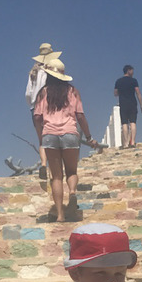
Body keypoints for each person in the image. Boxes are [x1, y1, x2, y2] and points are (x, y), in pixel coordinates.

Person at [33, 59, 98, 223]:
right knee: (71, 171)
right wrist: (89, 137)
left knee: (56, 177)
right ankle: (73, 193)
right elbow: (80, 116)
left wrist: (41, 136)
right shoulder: (73, 91)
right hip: (70, 134)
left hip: (49, 135)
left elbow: (37, 117)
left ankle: (60, 215)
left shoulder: (42, 93)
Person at [26, 42, 62, 180]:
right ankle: (54, 170)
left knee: (42, 140)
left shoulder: (33, 73)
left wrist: (33, 104)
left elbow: (28, 94)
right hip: (49, 106)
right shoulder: (51, 71)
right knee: (52, 137)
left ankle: (43, 164)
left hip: (35, 108)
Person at [114, 65, 142, 148]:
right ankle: (133, 142)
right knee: (133, 122)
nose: (133, 72)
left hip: (123, 104)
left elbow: (115, 93)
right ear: (128, 70)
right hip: (132, 103)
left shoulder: (118, 81)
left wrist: (122, 93)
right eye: (132, 70)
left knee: (124, 123)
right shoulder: (134, 81)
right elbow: (138, 93)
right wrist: (141, 105)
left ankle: (126, 144)